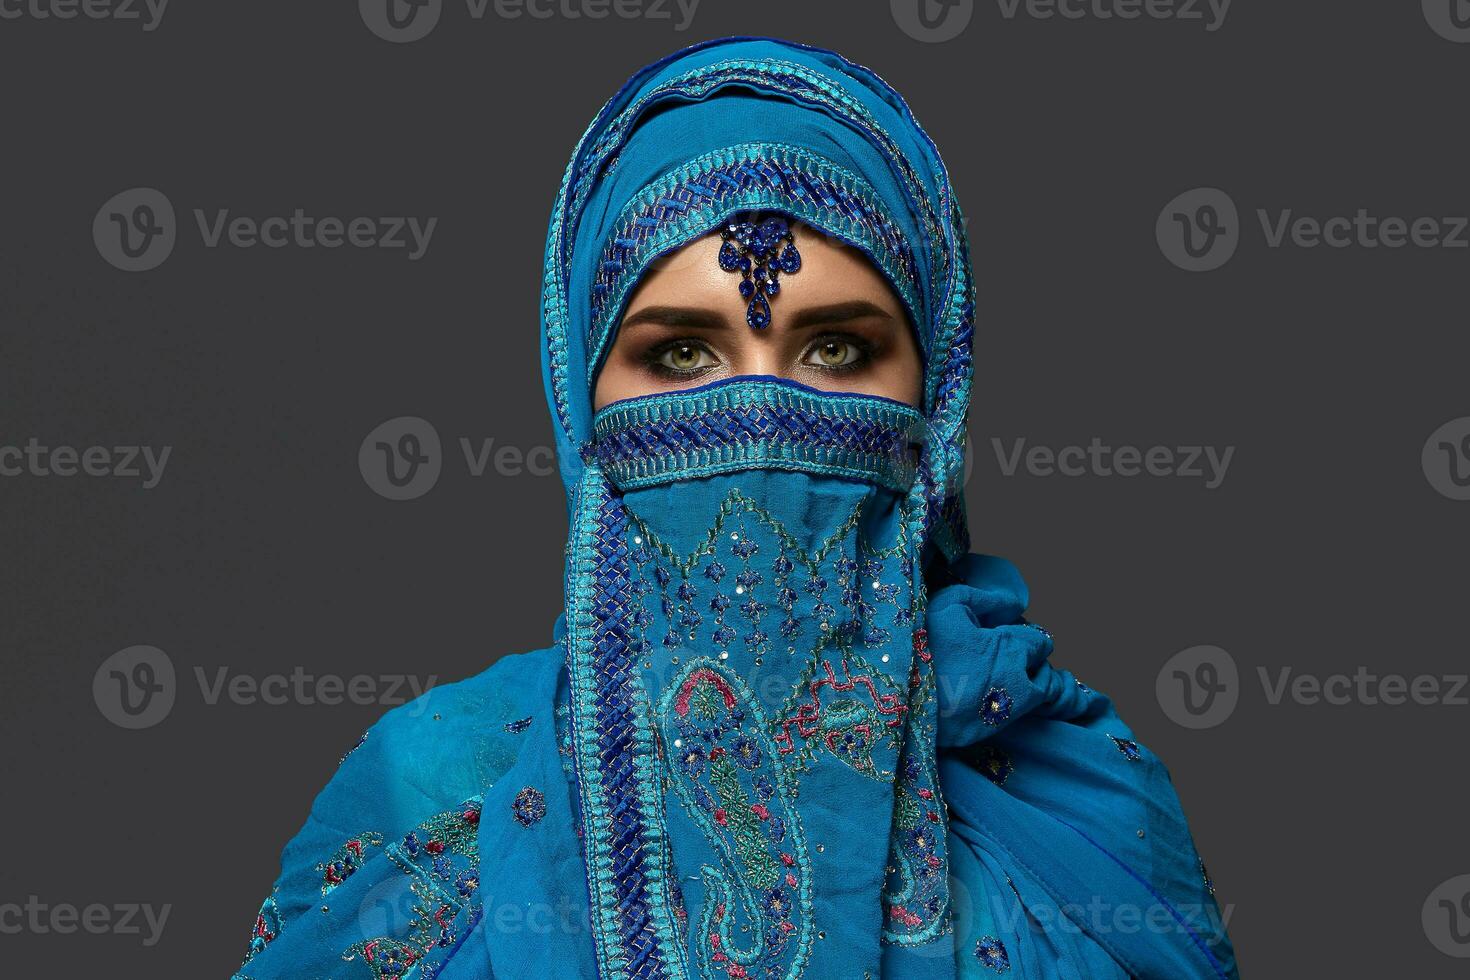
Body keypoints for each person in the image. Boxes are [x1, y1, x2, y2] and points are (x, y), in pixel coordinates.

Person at [233, 37, 1238, 980]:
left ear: (936, 399)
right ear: (581, 409)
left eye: (837, 349)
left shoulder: (1082, 801)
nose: (760, 414)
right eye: (680, 354)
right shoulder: (430, 783)